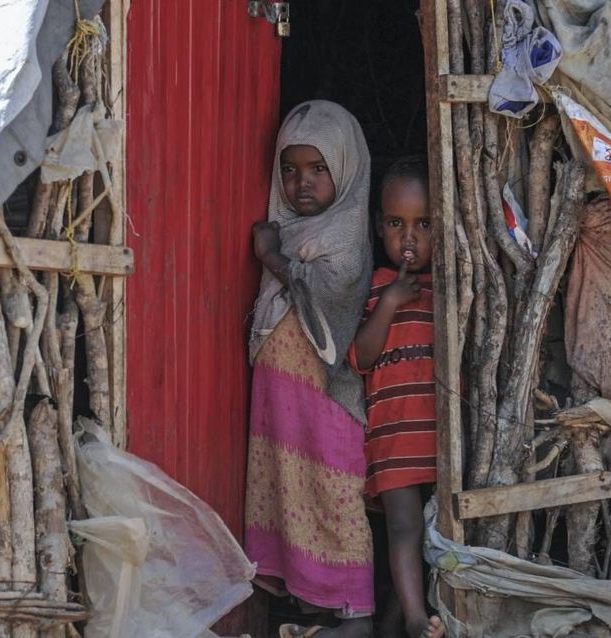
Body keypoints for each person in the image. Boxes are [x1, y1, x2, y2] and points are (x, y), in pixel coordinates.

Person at [244, 100, 375, 638]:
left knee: (335, 493)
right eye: (290, 169)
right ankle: (312, 602)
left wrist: (272, 257)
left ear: (344, 169)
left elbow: (326, 290)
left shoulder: (345, 235)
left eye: (318, 169)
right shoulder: (292, 227)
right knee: (288, 488)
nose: (302, 183)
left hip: (326, 396)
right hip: (282, 396)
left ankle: (357, 610)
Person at [349, 156, 444, 638]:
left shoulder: (450, 287)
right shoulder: (378, 286)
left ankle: (398, 619)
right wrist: (388, 303)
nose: (409, 238)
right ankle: (413, 619)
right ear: (378, 226)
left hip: (440, 436)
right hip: (393, 434)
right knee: (404, 527)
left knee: (434, 531)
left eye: (423, 223)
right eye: (396, 223)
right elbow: (361, 358)